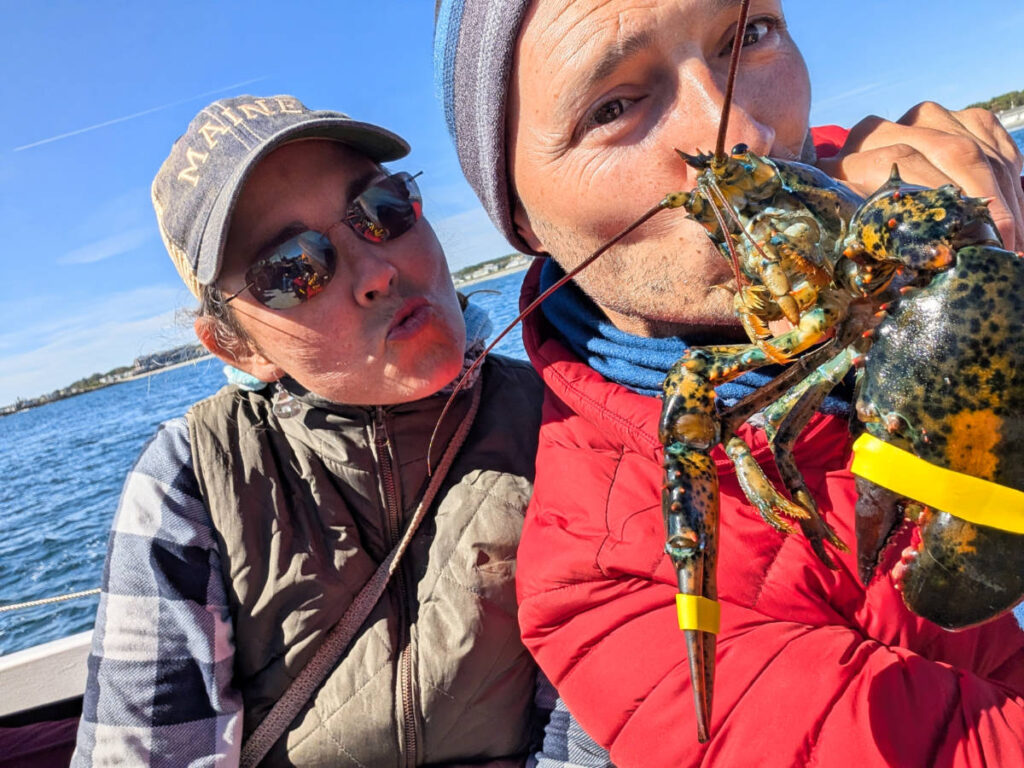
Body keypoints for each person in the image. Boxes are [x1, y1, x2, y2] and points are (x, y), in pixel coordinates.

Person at [434, 1, 1024, 766]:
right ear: (523, 221)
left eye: (748, 36)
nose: (738, 126)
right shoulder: (597, 583)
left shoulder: (945, 224)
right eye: (612, 106)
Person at [72, 94, 544, 766]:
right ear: (238, 349)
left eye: (382, 211)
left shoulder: (558, 413)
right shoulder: (191, 478)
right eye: (294, 270)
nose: (378, 272)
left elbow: (593, 725)